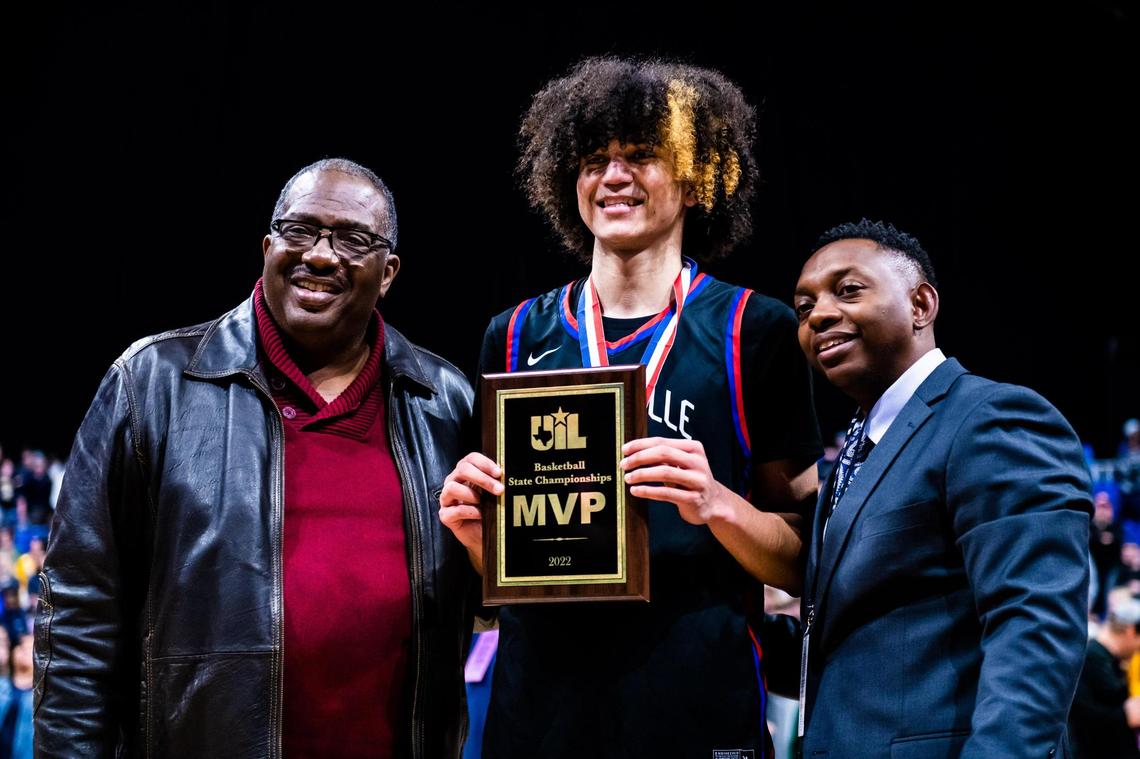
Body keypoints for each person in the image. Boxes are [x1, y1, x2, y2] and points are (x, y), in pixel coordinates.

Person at [439, 57, 822, 757]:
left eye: (642, 156)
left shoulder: (753, 330)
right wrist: (472, 535)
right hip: (540, 716)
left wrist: (717, 504)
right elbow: (491, 589)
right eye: (593, 160)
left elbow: (806, 560)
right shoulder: (516, 333)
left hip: (697, 709)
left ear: (696, 176)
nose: (613, 176)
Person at [34, 158, 475, 758]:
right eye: (299, 230)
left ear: (388, 272)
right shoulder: (152, 386)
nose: (320, 254)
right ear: (268, 246)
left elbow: (486, 599)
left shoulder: (447, 402)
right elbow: (80, 614)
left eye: (352, 239)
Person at [793, 219, 1092, 757]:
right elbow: (853, 641)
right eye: (804, 307)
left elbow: (1034, 625)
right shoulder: (855, 457)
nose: (820, 314)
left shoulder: (992, 418)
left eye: (848, 290)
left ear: (921, 305)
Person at [1070, 597, 1140, 758]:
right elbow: (1082, 718)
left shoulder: (1110, 660)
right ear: (1131, 631)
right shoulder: (1089, 659)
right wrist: (1125, 716)